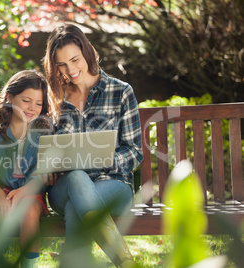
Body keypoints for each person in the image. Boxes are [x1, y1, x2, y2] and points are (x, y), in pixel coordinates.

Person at [42, 24, 143, 267]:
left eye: (75, 60)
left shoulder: (120, 91)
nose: (71, 69)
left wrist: (105, 158)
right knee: (77, 177)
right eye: (62, 65)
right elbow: (43, 145)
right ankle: (125, 261)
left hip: (114, 184)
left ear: (87, 52)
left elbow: (135, 151)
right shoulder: (54, 98)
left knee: (77, 209)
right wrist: (48, 164)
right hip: (64, 188)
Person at [0, 70, 53, 268]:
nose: (32, 108)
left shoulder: (44, 134)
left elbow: (43, 172)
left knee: (28, 211)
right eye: (26, 100)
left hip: (30, 192)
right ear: (9, 98)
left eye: (38, 103)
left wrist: (23, 192)